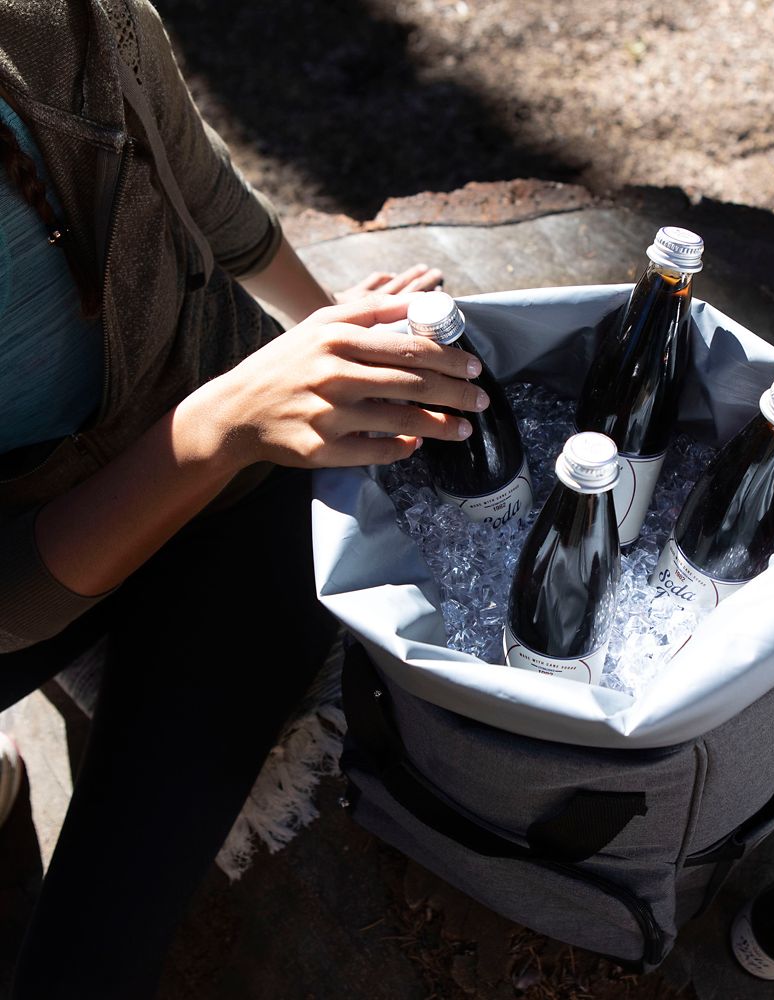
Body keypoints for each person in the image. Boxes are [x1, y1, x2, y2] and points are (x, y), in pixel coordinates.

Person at [0, 1, 488, 995]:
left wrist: (332, 336)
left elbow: (196, 179)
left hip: (234, 516)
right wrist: (220, 425)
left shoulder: (71, 20)